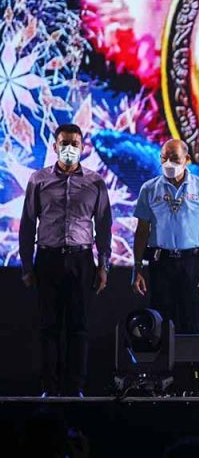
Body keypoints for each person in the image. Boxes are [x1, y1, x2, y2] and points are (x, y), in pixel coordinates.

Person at [19, 124, 112, 397]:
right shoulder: (38, 180)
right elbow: (27, 224)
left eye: (75, 143)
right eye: (64, 143)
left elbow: (104, 226)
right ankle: (49, 388)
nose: (69, 148)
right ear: (55, 146)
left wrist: (103, 265)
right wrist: (27, 266)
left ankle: (75, 388)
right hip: (47, 259)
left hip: (81, 259)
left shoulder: (95, 182)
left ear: (83, 147)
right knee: (48, 327)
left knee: (78, 327)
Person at [132, 139, 199, 334]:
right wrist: (137, 267)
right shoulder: (149, 188)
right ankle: (164, 355)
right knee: (161, 322)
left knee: (193, 321)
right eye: (164, 158)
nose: (169, 163)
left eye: (175, 158)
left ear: (187, 159)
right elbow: (142, 231)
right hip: (161, 263)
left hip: (192, 262)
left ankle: (192, 356)